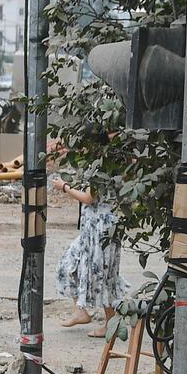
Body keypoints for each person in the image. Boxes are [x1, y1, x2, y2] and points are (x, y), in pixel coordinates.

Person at [52, 141, 124, 338]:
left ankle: (111, 323)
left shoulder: (102, 166)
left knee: (103, 273)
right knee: (69, 263)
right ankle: (81, 310)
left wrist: (64, 187)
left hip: (101, 228)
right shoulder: (106, 162)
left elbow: (89, 198)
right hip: (93, 226)